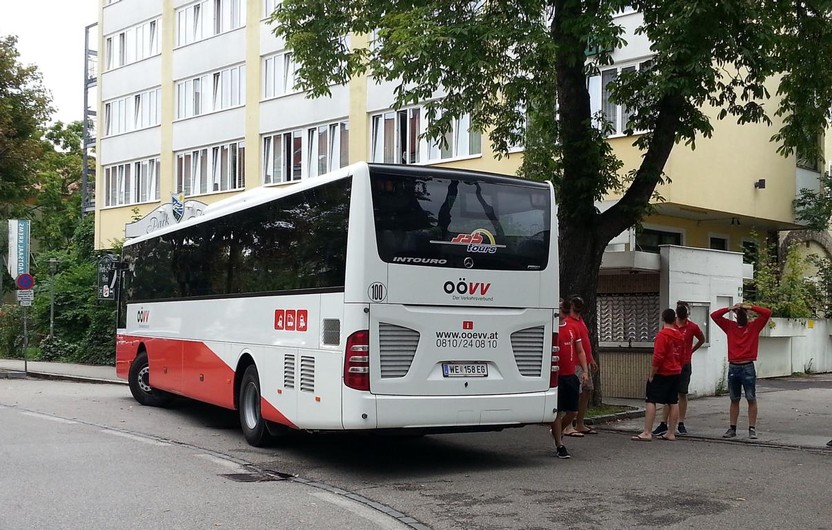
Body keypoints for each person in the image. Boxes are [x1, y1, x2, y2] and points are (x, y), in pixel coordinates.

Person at [711, 302, 772, 439]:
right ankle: (736, 428)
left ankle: (750, 428)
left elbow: (767, 312)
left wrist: (734, 308)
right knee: (736, 398)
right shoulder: (734, 327)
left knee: (748, 398)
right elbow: (714, 316)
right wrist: (745, 308)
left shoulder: (750, 326)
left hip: (745, 365)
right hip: (737, 366)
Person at [652, 301, 705, 436]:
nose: (681, 320)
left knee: (682, 393)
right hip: (671, 363)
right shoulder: (671, 326)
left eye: (684, 317)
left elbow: (701, 339)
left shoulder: (692, 327)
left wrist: (691, 350)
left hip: (684, 363)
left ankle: (680, 422)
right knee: (669, 394)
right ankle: (663, 423)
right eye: (679, 318)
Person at [632, 308, 684, 442]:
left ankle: (647, 431)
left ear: (663, 319)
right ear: (674, 319)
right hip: (676, 371)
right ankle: (671, 432)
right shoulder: (679, 335)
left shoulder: (662, 335)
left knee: (651, 399)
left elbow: (658, 357)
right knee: (673, 401)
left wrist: (652, 374)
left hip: (663, 371)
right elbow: (682, 354)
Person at [550, 298, 589, 459]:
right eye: (560, 308)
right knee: (557, 412)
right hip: (556, 375)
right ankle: (560, 444)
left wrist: (585, 370)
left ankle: (557, 431)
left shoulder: (573, 328)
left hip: (570, 375)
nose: (563, 312)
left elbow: (580, 351)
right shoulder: (551, 329)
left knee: (572, 411)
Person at [563, 295, 599, 437]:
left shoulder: (580, 320)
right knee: (574, 392)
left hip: (584, 362)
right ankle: (568, 425)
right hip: (574, 363)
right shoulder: (567, 321)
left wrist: (590, 360)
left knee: (586, 390)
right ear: (571, 305)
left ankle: (580, 423)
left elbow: (584, 342)